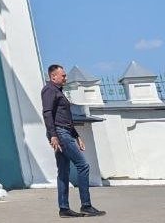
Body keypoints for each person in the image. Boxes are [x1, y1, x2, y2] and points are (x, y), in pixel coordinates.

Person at [43, 64, 105, 217]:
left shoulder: (58, 92)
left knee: (63, 171)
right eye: (63, 75)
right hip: (60, 133)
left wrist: (77, 136)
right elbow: (47, 113)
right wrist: (53, 135)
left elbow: (66, 118)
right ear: (53, 77)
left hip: (65, 132)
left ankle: (64, 209)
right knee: (83, 165)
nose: (65, 77)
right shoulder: (49, 90)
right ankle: (86, 205)